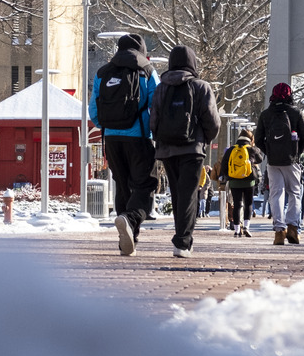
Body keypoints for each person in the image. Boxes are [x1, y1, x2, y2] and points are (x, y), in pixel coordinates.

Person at [147, 45, 221, 258]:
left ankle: (181, 237)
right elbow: (212, 121)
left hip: (168, 149)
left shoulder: (162, 87)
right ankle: (182, 242)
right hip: (192, 148)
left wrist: (159, 140)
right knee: (189, 194)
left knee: (178, 194)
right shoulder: (201, 86)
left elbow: (154, 120)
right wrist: (204, 139)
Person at [91, 34, 158, 255]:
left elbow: (94, 111)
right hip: (138, 136)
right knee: (145, 185)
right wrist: (152, 129)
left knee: (122, 183)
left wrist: (108, 126)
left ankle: (128, 239)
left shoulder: (103, 72)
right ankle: (129, 220)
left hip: (110, 138)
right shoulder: (146, 69)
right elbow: (155, 102)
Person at [254, 82, 304, 245]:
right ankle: (292, 226)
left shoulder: (266, 114)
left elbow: (258, 139)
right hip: (291, 160)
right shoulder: (296, 112)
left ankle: (279, 231)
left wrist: (269, 151)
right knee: (295, 193)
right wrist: (296, 153)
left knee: (276, 194)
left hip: (273, 162)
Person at [218, 133, 264, 236]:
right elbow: (260, 158)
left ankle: (237, 229)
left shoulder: (231, 150)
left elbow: (224, 165)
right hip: (249, 181)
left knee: (237, 204)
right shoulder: (251, 149)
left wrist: (229, 176)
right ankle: (246, 226)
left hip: (234, 181)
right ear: (250, 139)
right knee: (248, 204)